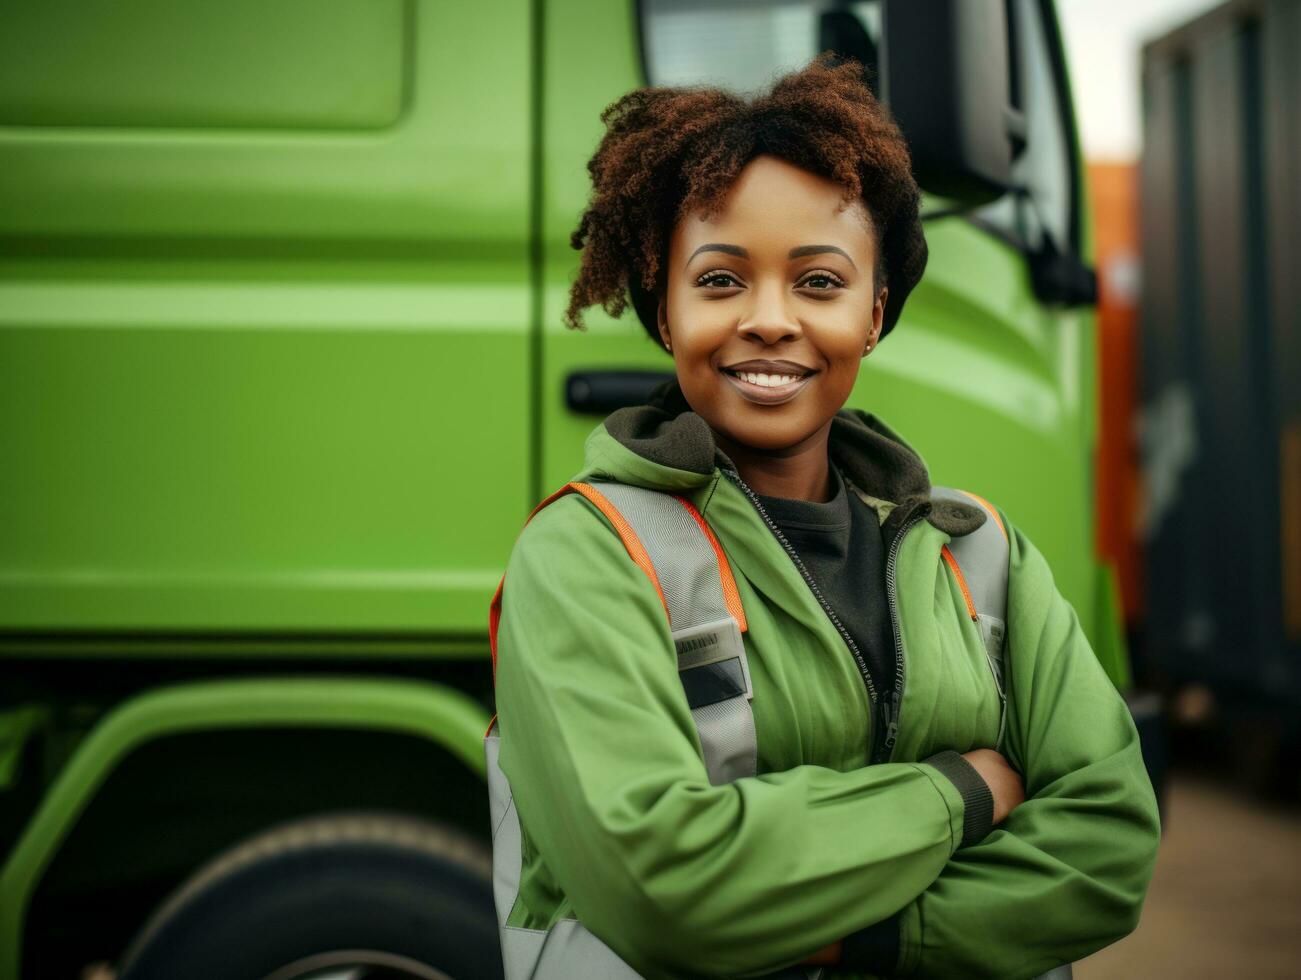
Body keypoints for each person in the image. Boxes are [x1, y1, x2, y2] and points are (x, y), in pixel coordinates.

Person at [491, 56, 1160, 979]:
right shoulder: (586, 555)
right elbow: (659, 886)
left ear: (874, 312)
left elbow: (1107, 846)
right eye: (720, 281)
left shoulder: (983, 555)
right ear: (664, 310)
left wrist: (867, 941)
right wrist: (963, 789)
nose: (769, 319)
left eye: (818, 282)